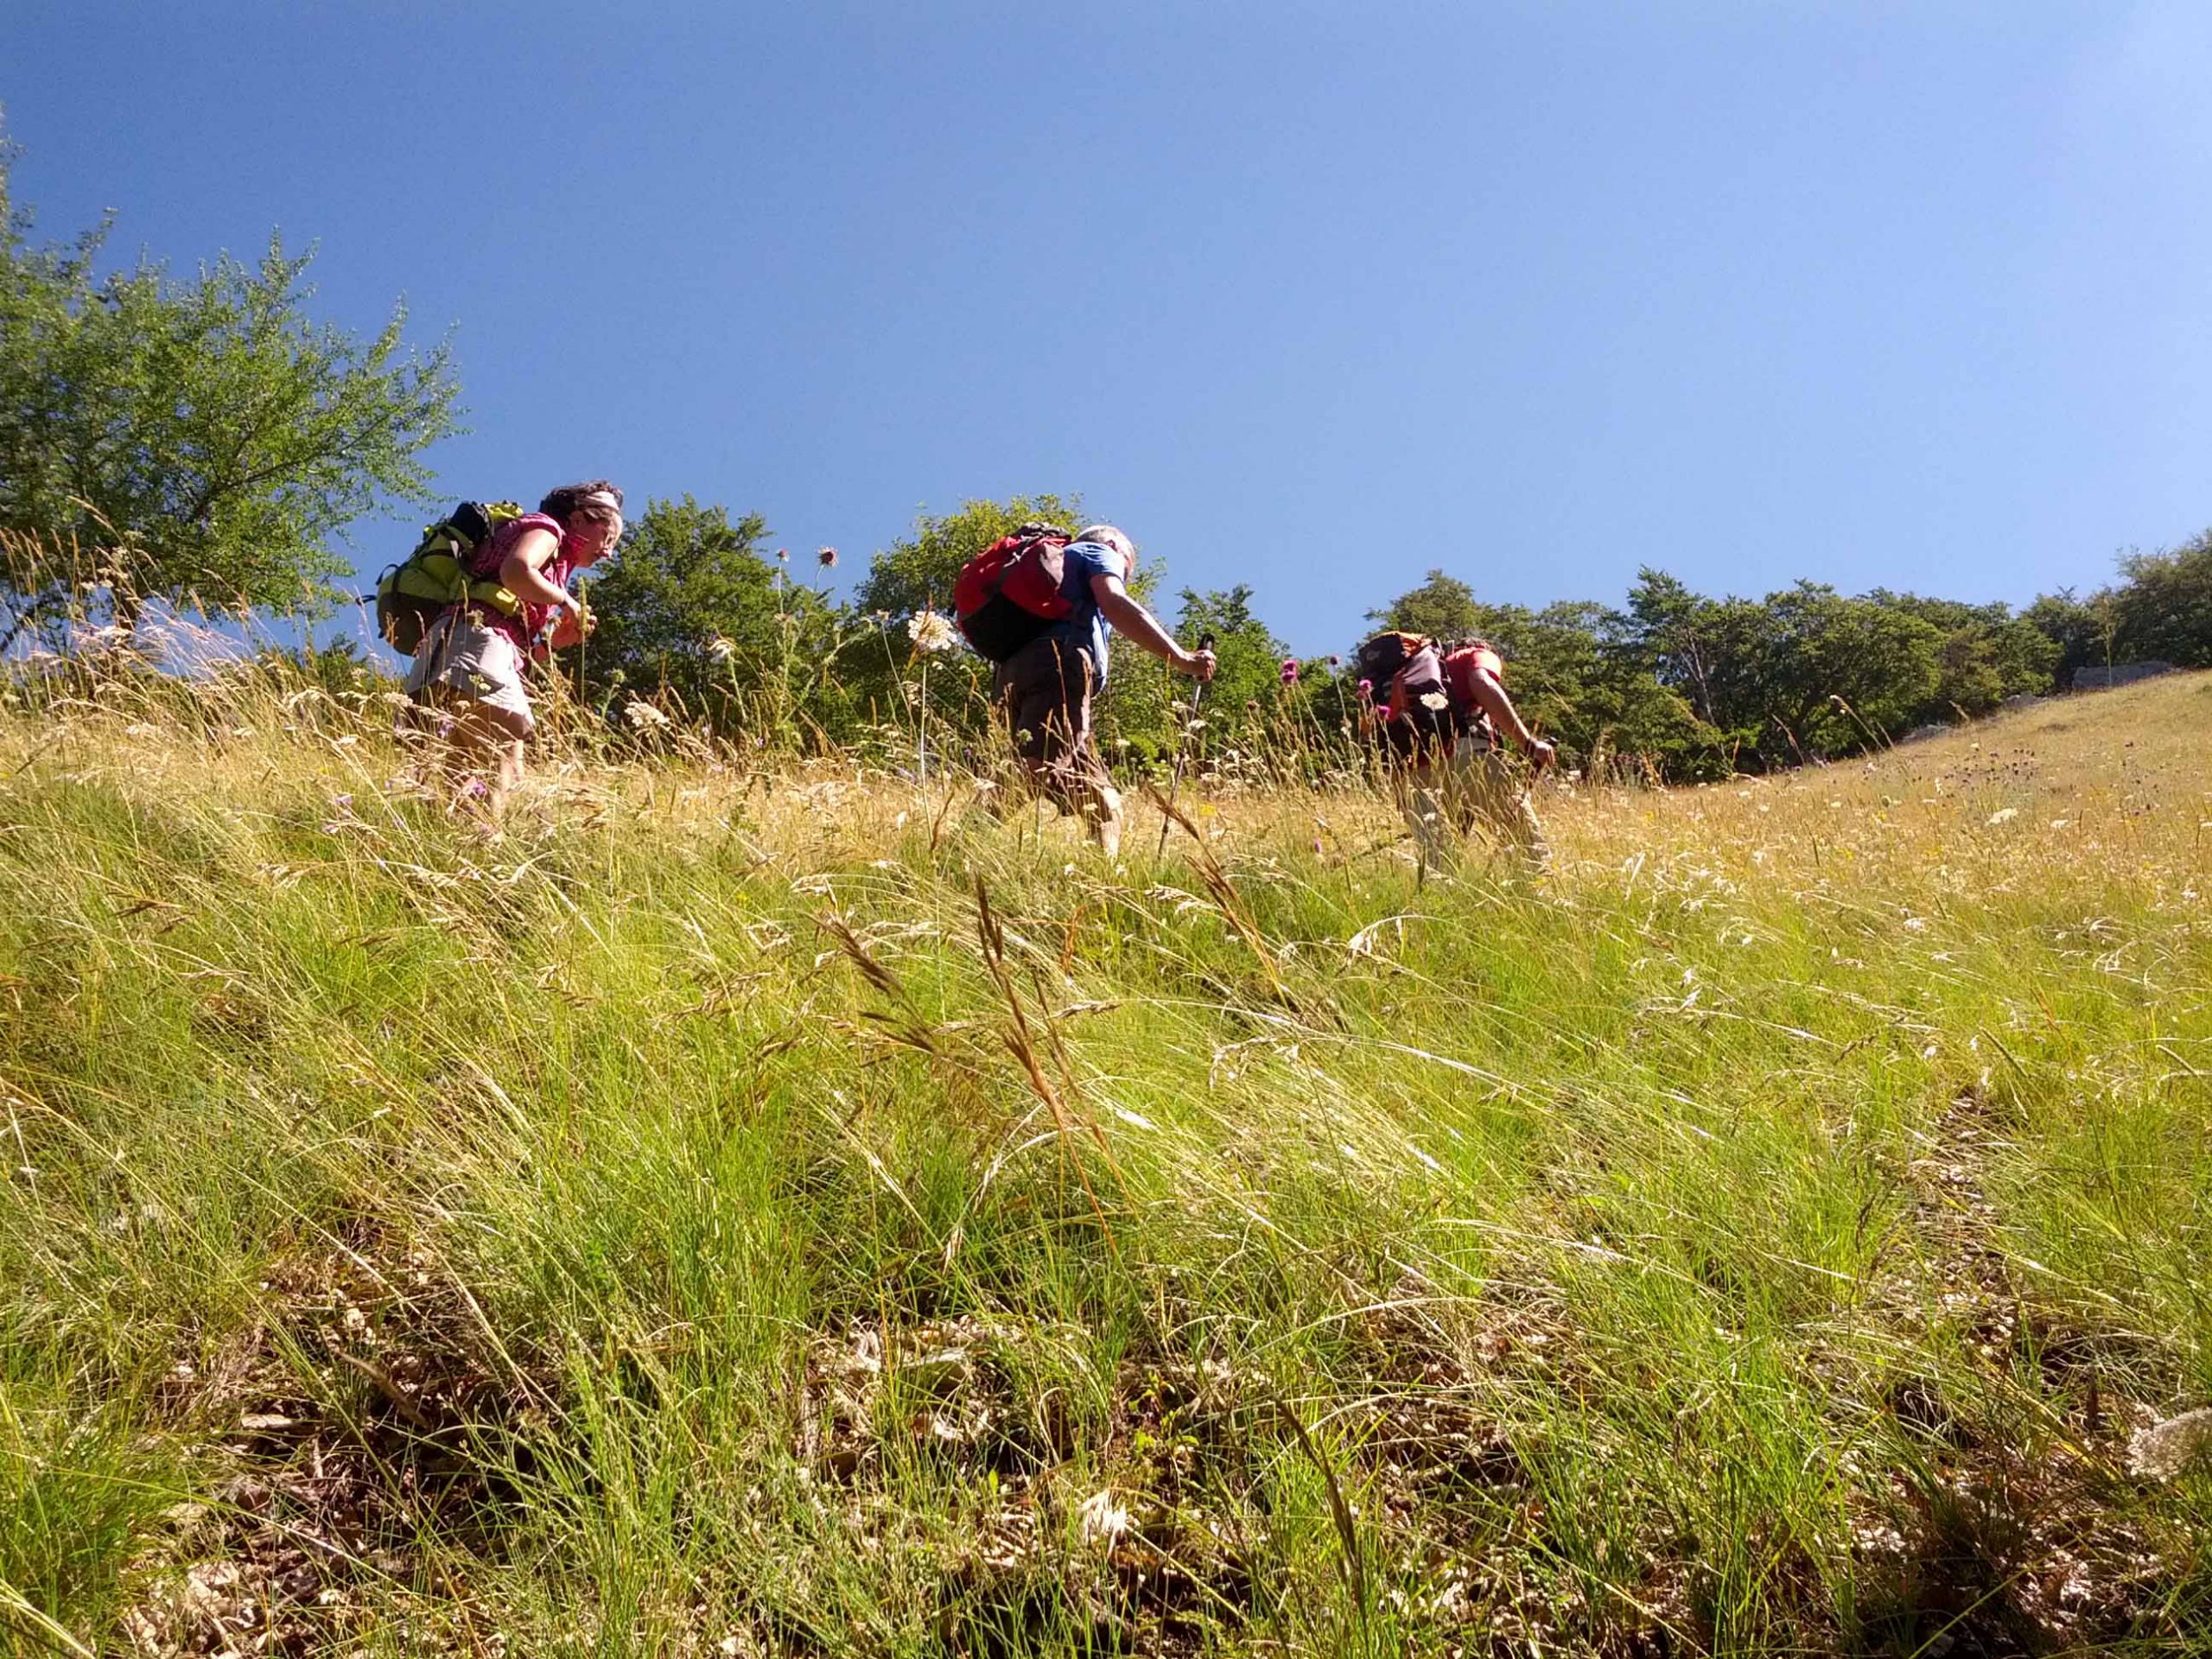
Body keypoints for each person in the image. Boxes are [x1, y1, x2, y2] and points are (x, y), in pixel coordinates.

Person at [994, 524, 1215, 857]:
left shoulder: (1059, 574)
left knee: (1103, 803)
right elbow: (1115, 601)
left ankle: (1103, 883)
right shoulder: (1097, 551)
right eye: (1128, 565)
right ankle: (955, 850)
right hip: (1059, 665)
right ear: (1114, 545)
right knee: (1036, 767)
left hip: (1014, 671)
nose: (1125, 572)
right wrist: (1183, 659)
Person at [405, 480, 622, 818]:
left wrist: (552, 645)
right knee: (504, 763)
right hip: (475, 643)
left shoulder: (550, 558)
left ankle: (455, 853)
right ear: (578, 519)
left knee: (462, 776)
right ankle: (488, 851)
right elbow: (516, 571)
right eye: (608, 537)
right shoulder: (548, 529)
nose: (608, 552)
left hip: (453, 646)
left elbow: (514, 651)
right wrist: (567, 603)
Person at [1360, 630, 1553, 875]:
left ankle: (1443, 908)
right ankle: (1541, 904)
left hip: (1409, 774)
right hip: (1465, 754)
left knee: (1440, 866)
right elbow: (1482, 682)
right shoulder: (1474, 655)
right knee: (1528, 847)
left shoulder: (1418, 672)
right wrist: (1528, 743)